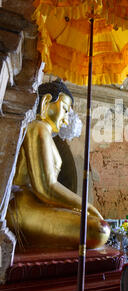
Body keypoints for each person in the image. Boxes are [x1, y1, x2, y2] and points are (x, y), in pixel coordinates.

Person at [6, 79, 110, 249]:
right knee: (99, 230)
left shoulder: (44, 132)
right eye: (65, 110)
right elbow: (46, 187)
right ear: (46, 101)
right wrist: (87, 206)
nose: (66, 120)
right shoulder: (37, 127)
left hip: (35, 205)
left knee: (94, 224)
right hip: (21, 210)